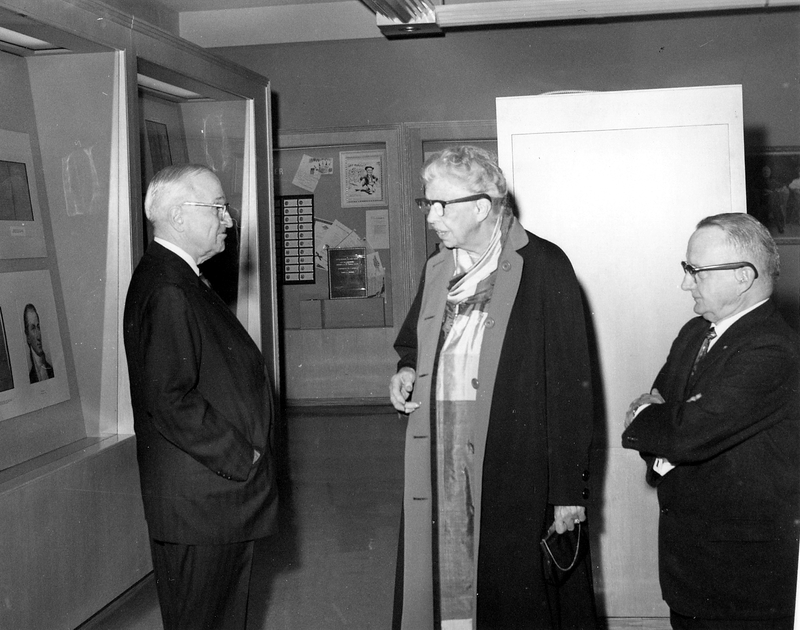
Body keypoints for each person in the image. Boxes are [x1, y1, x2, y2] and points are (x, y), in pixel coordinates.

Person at [389, 146, 596, 629]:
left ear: (482, 207)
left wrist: (569, 489)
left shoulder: (543, 265)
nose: (431, 218)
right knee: (441, 569)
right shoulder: (439, 267)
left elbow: (572, 385)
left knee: (510, 587)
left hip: (514, 459)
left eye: (442, 206)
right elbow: (413, 342)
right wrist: (404, 370)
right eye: (428, 205)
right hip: (441, 454)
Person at [622, 213, 799, 629]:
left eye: (696, 271)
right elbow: (664, 421)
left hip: (743, 580)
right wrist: (667, 429)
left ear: (742, 275)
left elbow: (678, 429)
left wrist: (664, 424)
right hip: (690, 568)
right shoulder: (693, 333)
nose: (686, 283)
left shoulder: (772, 349)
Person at [123, 165, 278, 630]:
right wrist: (242, 458)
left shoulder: (176, 277)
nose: (228, 219)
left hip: (205, 501)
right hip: (205, 500)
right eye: (217, 208)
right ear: (177, 216)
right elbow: (170, 399)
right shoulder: (170, 287)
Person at [23, 303, 54, 383]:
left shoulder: (51, 370)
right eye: (33, 328)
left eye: (38, 327)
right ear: (28, 336)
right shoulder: (29, 378)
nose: (38, 336)